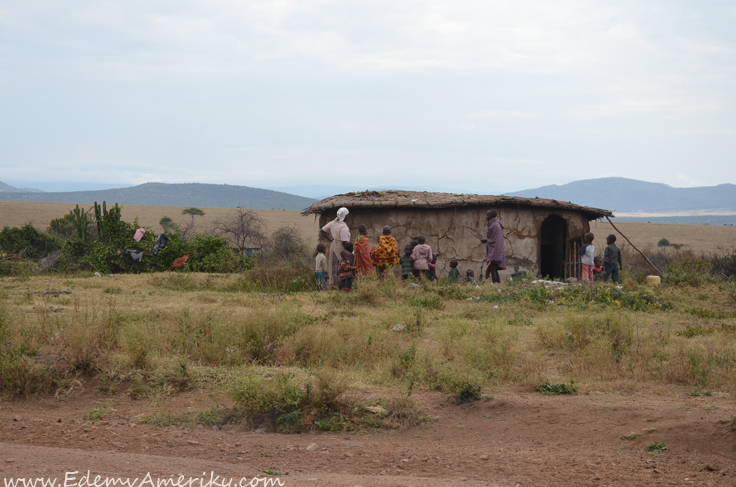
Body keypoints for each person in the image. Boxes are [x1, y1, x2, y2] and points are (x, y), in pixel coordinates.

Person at [321, 207, 351, 288]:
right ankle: (341, 284)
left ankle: (334, 283)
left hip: (333, 245)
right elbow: (344, 242)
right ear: (346, 216)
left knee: (333, 263)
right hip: (340, 247)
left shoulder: (333, 223)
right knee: (341, 264)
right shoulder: (343, 228)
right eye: (348, 215)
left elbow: (323, 231)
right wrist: (349, 252)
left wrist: (331, 240)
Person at [481, 210, 506, 283]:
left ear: (491, 216)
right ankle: (498, 283)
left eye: (487, 215)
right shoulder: (496, 224)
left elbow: (495, 240)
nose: (486, 217)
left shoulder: (494, 225)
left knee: (492, 268)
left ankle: (495, 284)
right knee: (494, 268)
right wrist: (486, 240)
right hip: (496, 249)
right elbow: (494, 238)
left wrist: (488, 241)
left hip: (495, 250)